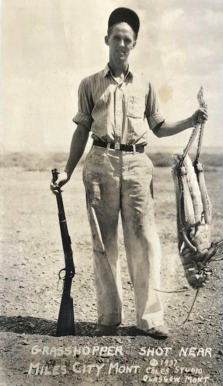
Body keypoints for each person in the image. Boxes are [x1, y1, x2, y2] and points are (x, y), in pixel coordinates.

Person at [51, 7, 207, 339]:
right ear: (107, 39)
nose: (122, 44)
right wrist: (67, 171)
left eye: (128, 40)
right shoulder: (90, 85)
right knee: (104, 244)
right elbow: (81, 131)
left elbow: (160, 127)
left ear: (134, 45)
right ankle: (108, 318)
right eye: (117, 38)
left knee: (145, 242)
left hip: (138, 166)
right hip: (100, 164)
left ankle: (150, 319)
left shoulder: (146, 85)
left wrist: (192, 120)